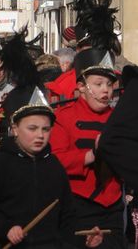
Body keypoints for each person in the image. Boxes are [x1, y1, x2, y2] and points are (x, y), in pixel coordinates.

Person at [0, 87, 103, 248]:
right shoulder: (1, 164)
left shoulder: (54, 165)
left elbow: (67, 217)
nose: (40, 135)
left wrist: (84, 239)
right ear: (15, 129)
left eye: (45, 129)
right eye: (32, 128)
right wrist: (6, 229)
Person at [50, 48, 124, 247]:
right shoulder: (63, 117)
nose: (106, 90)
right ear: (81, 87)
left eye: (109, 84)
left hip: (114, 204)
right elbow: (56, 161)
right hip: (78, 204)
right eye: (98, 84)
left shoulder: (120, 118)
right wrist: (91, 155)